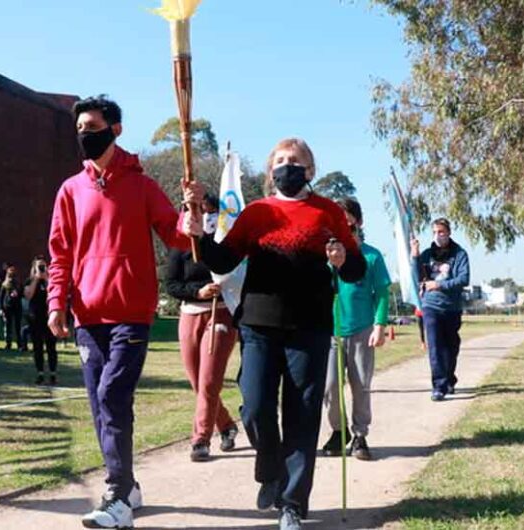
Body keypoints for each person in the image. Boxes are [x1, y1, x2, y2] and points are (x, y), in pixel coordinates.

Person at [184, 138, 366, 530]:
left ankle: (292, 504)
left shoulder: (328, 211)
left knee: (301, 415)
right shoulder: (257, 212)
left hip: (310, 326)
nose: (288, 166)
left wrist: (342, 257)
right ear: (270, 172)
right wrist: (197, 234)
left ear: (310, 170)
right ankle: (270, 470)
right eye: (280, 161)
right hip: (258, 323)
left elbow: (354, 269)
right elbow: (223, 258)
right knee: (254, 405)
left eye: (295, 161)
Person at [46, 95, 200, 529]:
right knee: (101, 404)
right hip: (87, 316)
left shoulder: (142, 185)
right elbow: (60, 252)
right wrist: (57, 302)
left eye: (92, 127)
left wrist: (191, 221)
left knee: (113, 395)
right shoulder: (70, 191)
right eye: (79, 129)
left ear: (115, 129)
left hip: (131, 312)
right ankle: (127, 486)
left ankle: (117, 496)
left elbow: (175, 237)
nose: (84, 135)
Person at [165, 193, 239, 462]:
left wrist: (218, 288)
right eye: (191, 209)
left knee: (209, 381)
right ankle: (227, 425)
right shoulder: (178, 246)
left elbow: (234, 268)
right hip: (190, 315)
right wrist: (198, 292)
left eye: (205, 210)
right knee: (198, 383)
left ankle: (201, 439)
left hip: (220, 315)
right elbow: (171, 285)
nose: (198, 215)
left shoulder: (222, 242)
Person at [321, 198, 391, 461]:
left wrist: (380, 325)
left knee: (361, 385)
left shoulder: (371, 255)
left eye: (348, 216)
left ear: (358, 221)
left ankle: (360, 434)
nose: (343, 221)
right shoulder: (324, 255)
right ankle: (339, 432)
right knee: (329, 387)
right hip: (330, 330)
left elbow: (382, 292)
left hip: (362, 330)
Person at [411, 218, 470, 401]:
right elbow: (416, 276)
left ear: (449, 232)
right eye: (435, 232)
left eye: (442, 232)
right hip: (430, 306)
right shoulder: (428, 254)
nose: (438, 236)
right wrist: (414, 256)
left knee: (451, 347)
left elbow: (463, 279)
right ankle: (438, 386)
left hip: (451, 307)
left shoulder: (459, 254)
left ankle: (449, 378)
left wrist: (439, 284)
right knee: (435, 347)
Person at [24, 256, 57, 385]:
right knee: (37, 347)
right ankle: (40, 373)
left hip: (49, 318)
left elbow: (54, 293)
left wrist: (47, 279)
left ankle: (53, 373)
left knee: (51, 347)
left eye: (44, 266)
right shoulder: (29, 281)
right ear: (34, 268)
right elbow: (28, 295)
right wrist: (36, 279)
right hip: (35, 318)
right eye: (39, 266)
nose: (42, 269)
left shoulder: (50, 280)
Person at [0, 265, 24, 351]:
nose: (11, 277)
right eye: (10, 275)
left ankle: (19, 344)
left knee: (18, 326)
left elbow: (22, 294)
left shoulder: (19, 284)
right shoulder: (5, 285)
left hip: (17, 307)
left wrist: (18, 293)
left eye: (13, 275)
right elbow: (1, 297)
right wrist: (1, 308)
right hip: (7, 307)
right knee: (8, 326)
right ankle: (8, 344)